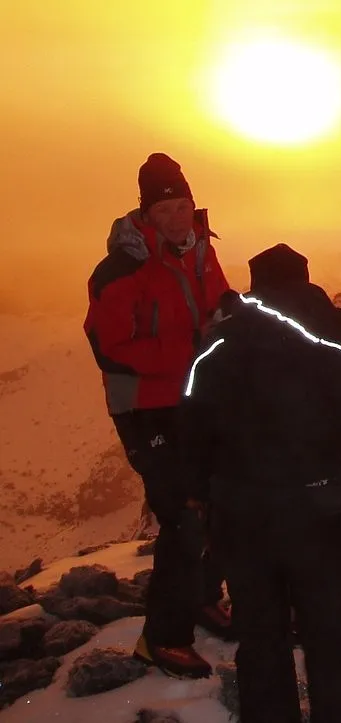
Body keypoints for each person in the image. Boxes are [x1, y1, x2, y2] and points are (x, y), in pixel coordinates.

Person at [181, 243, 341, 723]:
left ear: (255, 288)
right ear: (306, 282)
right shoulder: (333, 346)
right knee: (329, 636)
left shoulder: (217, 347)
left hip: (240, 514)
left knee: (260, 637)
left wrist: (201, 499)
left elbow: (191, 428)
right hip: (318, 511)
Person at [83, 152, 234, 679]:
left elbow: (217, 304)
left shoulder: (200, 249)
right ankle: (162, 638)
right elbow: (110, 348)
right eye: (164, 209)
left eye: (182, 206)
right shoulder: (121, 269)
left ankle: (201, 597)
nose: (176, 218)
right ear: (145, 213)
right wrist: (192, 346)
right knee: (183, 515)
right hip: (145, 409)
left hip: (193, 397)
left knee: (219, 497)